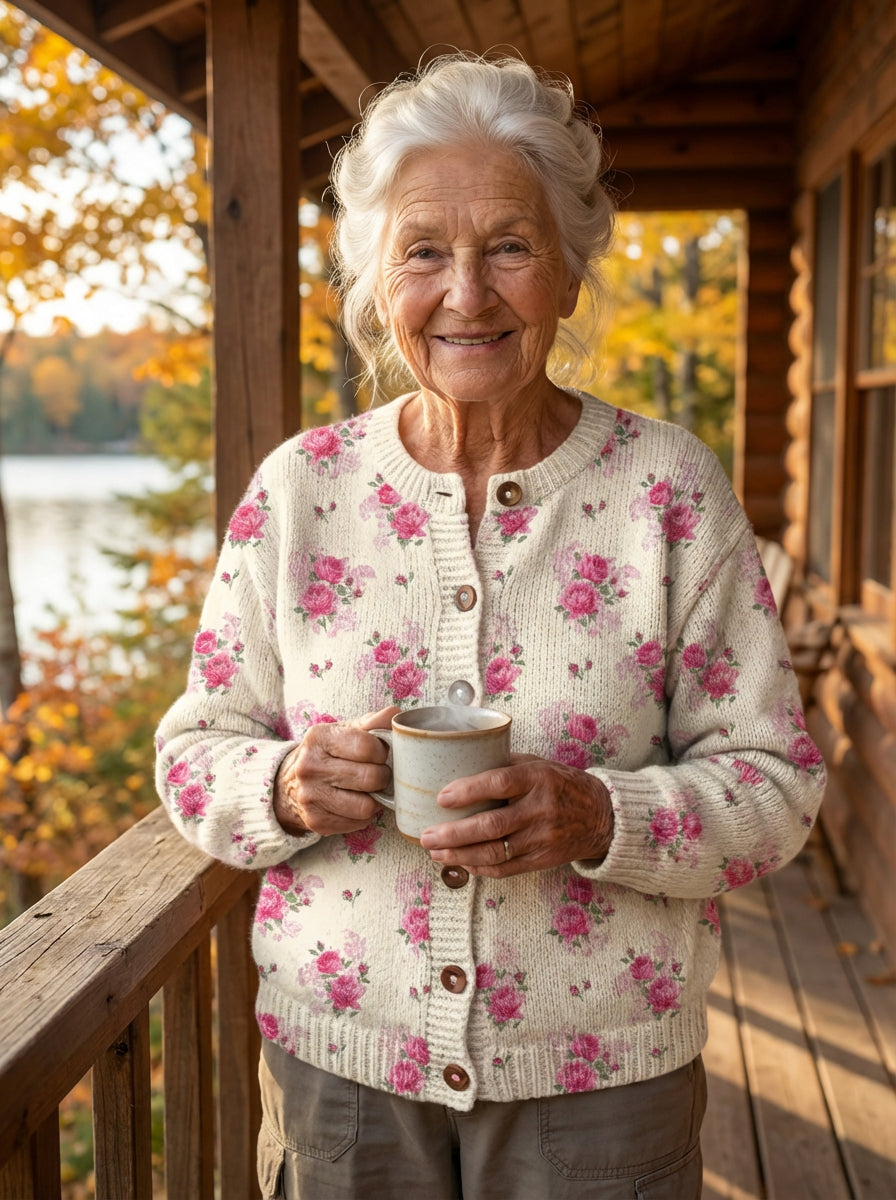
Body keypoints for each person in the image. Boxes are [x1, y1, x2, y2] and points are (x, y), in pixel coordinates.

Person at [155, 52, 826, 1199]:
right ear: (377, 283)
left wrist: (596, 812)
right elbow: (192, 752)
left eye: (508, 246)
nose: (465, 292)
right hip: (342, 1077)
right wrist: (282, 786)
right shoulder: (300, 489)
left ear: (567, 273)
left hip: (601, 1086)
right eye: (423, 251)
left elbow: (776, 785)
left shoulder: (665, 489)